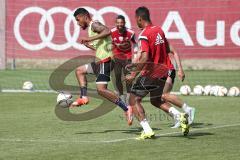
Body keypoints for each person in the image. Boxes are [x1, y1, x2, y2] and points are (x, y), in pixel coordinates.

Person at [126, 6, 191, 140]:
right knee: (156, 100)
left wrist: (133, 74)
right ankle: (179, 116)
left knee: (133, 99)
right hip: (163, 72)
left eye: (136, 20)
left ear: (139, 18)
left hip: (150, 73)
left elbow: (144, 57)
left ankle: (147, 130)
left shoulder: (144, 35)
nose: (136, 22)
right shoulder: (159, 30)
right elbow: (166, 49)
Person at [71, 8, 133, 125]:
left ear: (85, 16)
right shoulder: (91, 28)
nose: (78, 23)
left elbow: (107, 31)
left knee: (101, 90)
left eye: (78, 20)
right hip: (101, 61)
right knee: (79, 71)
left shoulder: (94, 24)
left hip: (107, 60)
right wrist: (89, 46)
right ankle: (83, 97)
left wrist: (90, 38)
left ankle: (126, 108)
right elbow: (101, 46)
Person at [110, 15, 138, 104]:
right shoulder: (111, 32)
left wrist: (135, 56)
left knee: (128, 78)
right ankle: (122, 96)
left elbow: (135, 44)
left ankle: (129, 96)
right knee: (117, 77)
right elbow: (109, 43)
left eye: (121, 23)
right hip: (116, 58)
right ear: (115, 23)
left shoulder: (130, 33)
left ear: (124, 23)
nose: (120, 24)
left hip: (127, 58)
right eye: (118, 23)